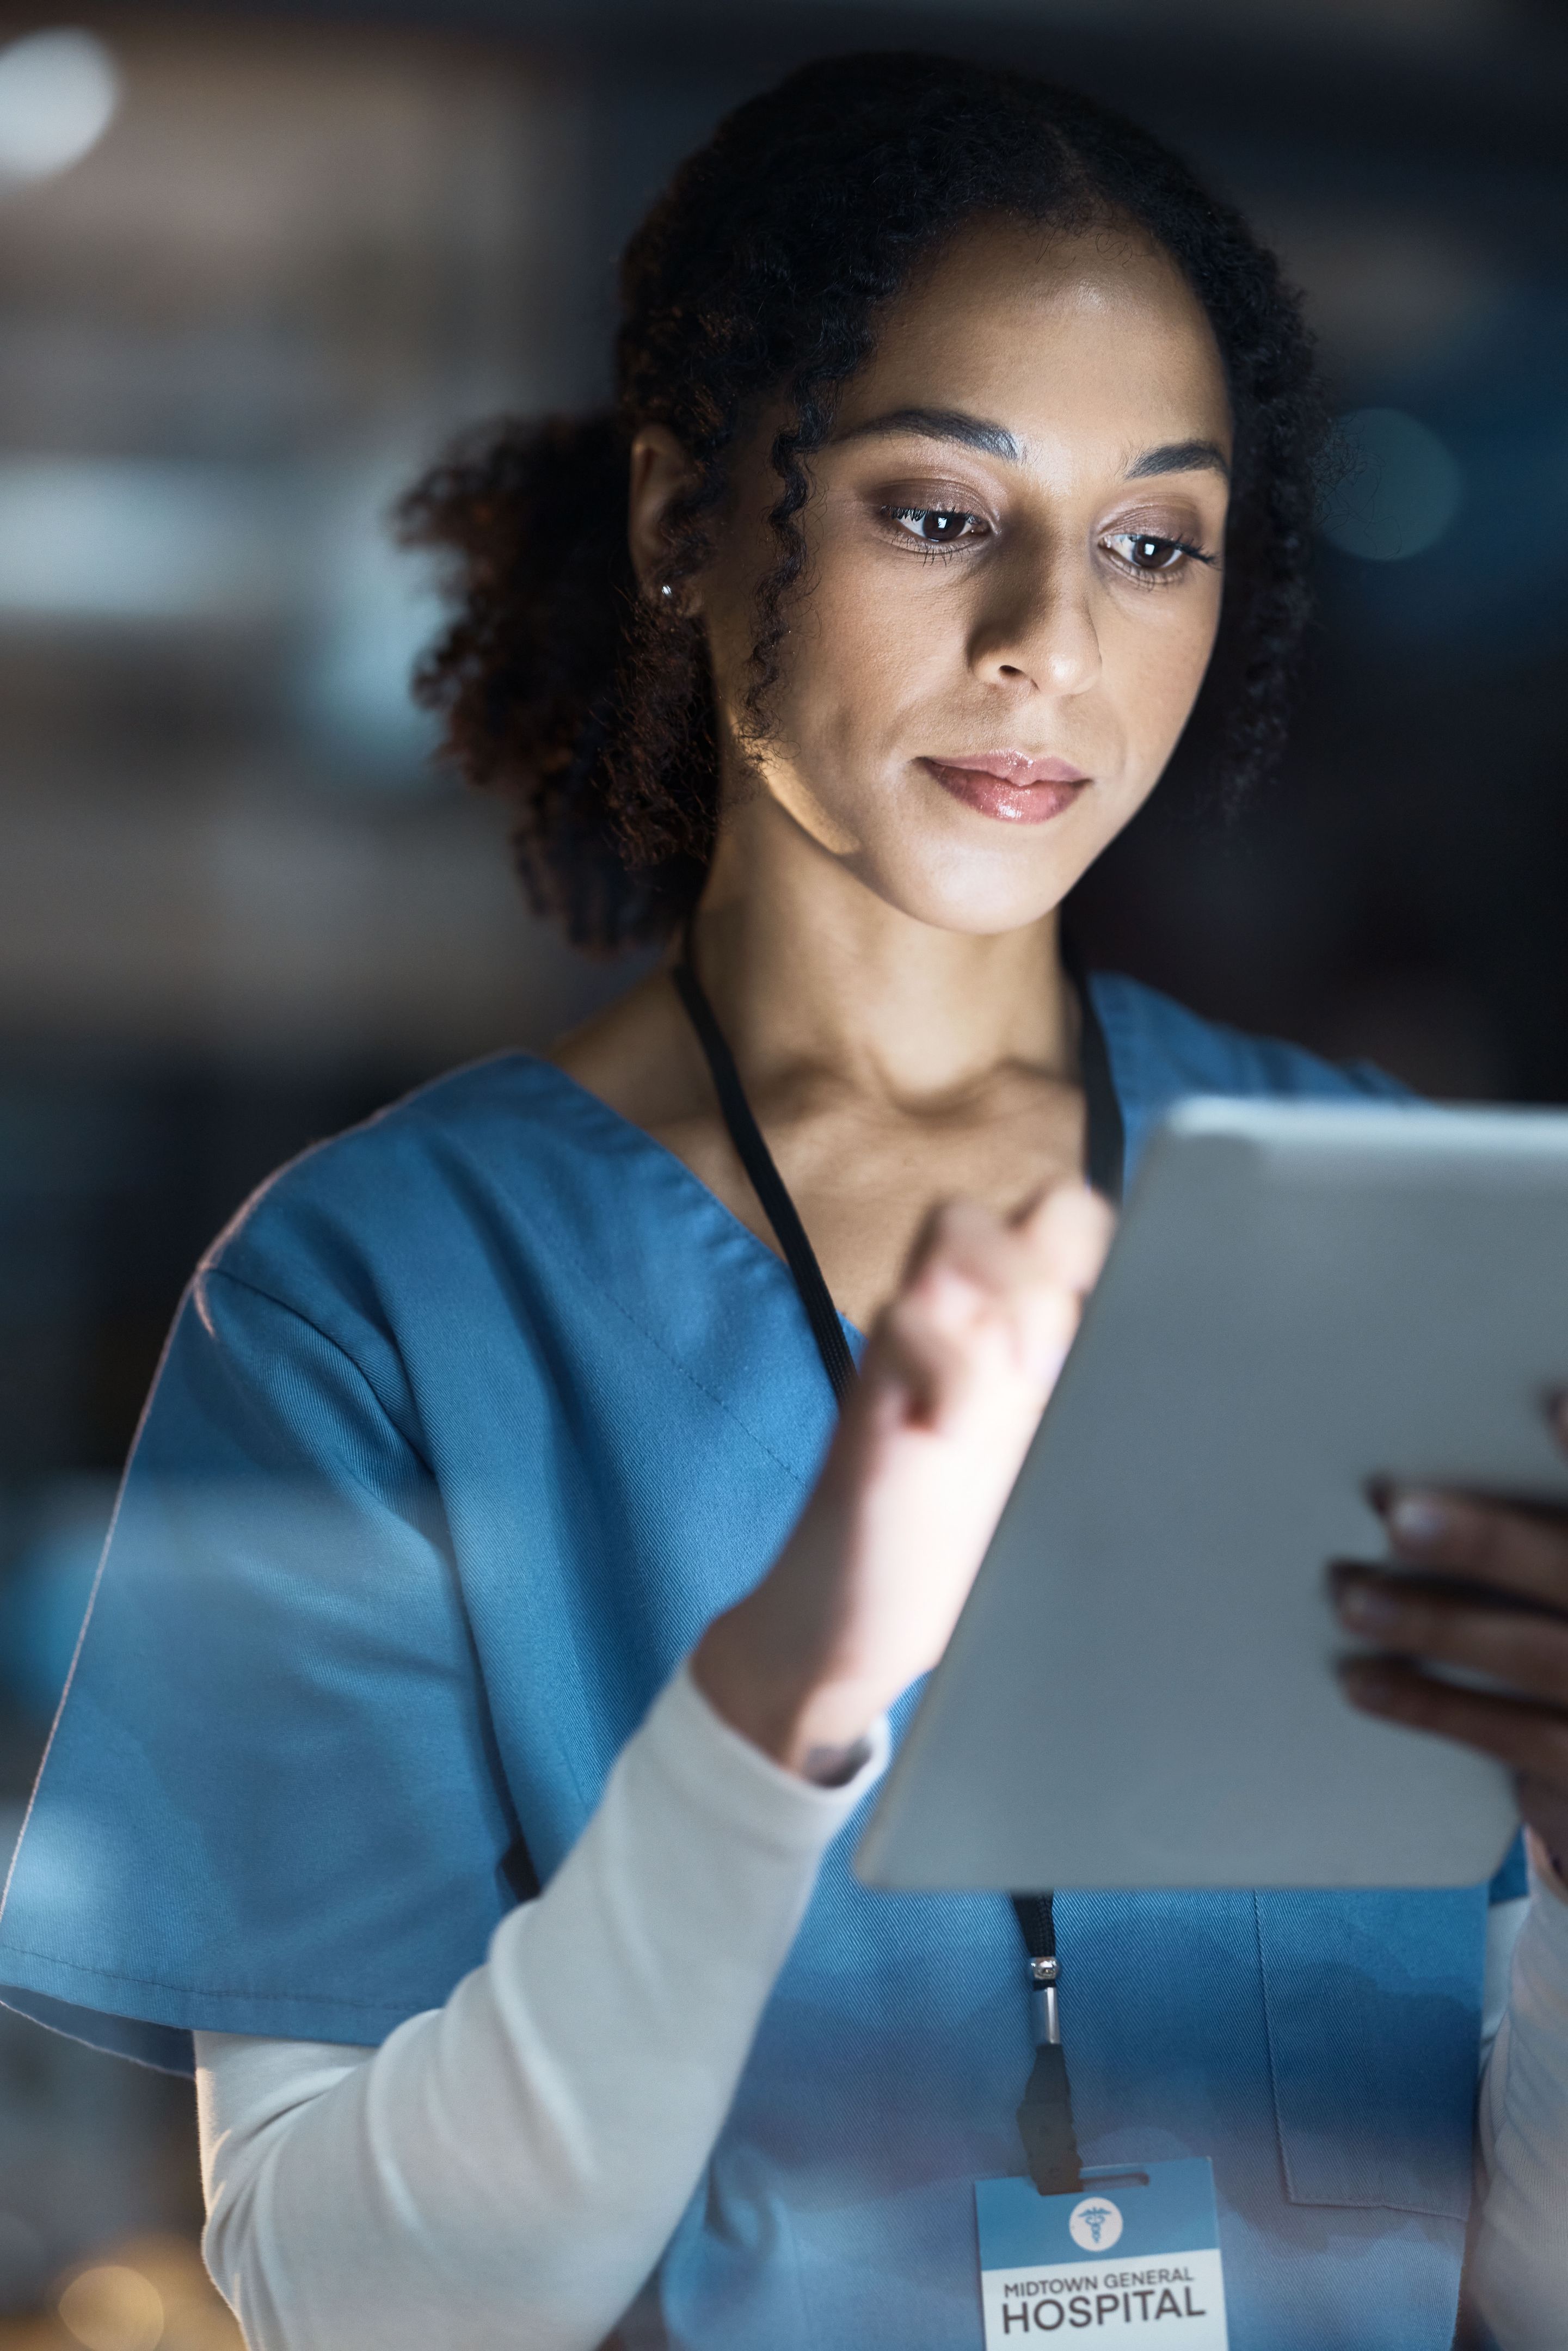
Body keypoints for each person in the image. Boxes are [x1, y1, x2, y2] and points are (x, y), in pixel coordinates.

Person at [1, 50, 1564, 2351]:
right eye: (940, 512)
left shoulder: (1403, 1242)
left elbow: (1524, 2291)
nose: (1051, 633)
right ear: (681, 519)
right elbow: (350, 2303)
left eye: (1154, 540)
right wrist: (784, 1685)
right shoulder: (376, 1303)